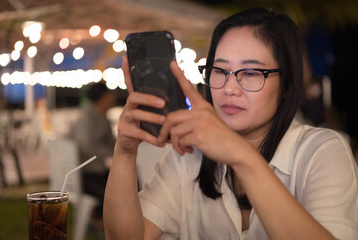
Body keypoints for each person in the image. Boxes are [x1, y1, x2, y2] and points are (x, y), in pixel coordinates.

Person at [103, 7, 358, 240]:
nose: (229, 88)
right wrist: (125, 152)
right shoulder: (188, 156)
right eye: (220, 71)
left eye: (250, 73)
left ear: (285, 85)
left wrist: (240, 155)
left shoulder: (322, 151)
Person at [70, 81, 116, 219]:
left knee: (126, 182)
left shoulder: (100, 115)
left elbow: (111, 141)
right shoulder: (88, 117)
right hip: (87, 175)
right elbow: (87, 146)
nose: (113, 98)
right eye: (110, 95)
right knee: (117, 190)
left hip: (97, 170)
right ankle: (105, 222)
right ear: (103, 97)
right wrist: (113, 152)